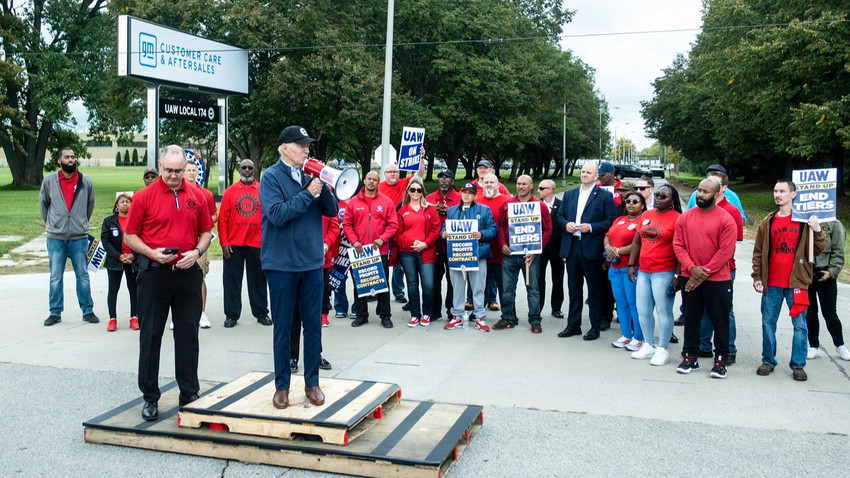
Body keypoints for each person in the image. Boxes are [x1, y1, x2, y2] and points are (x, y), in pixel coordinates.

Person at [123, 145, 214, 421]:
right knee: (150, 335)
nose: (174, 176)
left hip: (187, 273)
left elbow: (207, 232)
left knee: (188, 334)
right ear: (160, 166)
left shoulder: (197, 195)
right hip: (154, 274)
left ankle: (188, 391)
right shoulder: (143, 197)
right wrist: (151, 253)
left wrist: (197, 253)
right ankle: (150, 396)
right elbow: (130, 236)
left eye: (178, 171)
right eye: (169, 171)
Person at [260, 126, 338, 409]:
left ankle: (312, 383)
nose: (307, 149)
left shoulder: (311, 176)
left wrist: (324, 184)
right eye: (301, 145)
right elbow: (278, 215)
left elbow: (331, 211)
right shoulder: (270, 177)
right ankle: (282, 386)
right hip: (281, 264)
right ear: (284, 148)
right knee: (282, 327)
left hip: (311, 262)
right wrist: (308, 193)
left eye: (308, 145)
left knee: (313, 325)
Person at [752, 179, 824, 382]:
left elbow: (817, 250)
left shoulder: (804, 221)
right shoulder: (769, 221)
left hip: (797, 283)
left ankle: (798, 365)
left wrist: (817, 230)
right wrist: (757, 276)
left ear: (793, 194)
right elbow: (758, 252)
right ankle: (768, 360)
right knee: (768, 323)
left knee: (800, 325)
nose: (777, 194)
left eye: (782, 191)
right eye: (775, 190)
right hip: (772, 283)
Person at [673, 179, 737, 378]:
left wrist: (702, 273)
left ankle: (721, 359)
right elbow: (678, 245)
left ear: (717, 195)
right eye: (699, 190)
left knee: (720, 320)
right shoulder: (685, 218)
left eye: (706, 191)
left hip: (718, 279)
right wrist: (692, 268)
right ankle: (690, 356)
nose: (700, 194)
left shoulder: (726, 219)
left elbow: (726, 251)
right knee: (691, 318)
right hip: (689, 276)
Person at [556, 162, 617, 340]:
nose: (584, 174)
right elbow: (559, 216)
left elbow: (611, 220)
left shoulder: (604, 196)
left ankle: (595, 326)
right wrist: (566, 224)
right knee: (574, 288)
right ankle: (573, 324)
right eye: (582, 171)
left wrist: (590, 227)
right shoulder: (570, 194)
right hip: (572, 246)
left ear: (596, 176)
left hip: (591, 247)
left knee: (595, 290)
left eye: (588, 172)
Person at [40, 147, 98, 326]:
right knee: (56, 276)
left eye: (73, 157)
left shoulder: (85, 181)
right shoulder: (49, 181)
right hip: (56, 237)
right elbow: (44, 205)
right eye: (67, 157)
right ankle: (55, 312)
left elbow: (90, 205)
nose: (71, 160)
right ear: (59, 161)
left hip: (79, 237)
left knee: (82, 275)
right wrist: (54, 224)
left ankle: (87, 310)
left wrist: (79, 223)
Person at [627, 184, 682, 365]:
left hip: (664, 272)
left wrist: (677, 275)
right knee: (643, 310)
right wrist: (632, 264)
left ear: (672, 200)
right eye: (657, 194)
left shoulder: (678, 219)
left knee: (663, 311)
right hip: (644, 271)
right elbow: (637, 242)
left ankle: (662, 348)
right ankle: (648, 345)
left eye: (663, 196)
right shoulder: (647, 215)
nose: (658, 198)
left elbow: (682, 248)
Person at [696, 170, 744, 363]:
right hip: (699, 267)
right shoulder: (699, 209)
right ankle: (704, 345)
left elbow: (732, 243)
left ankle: (728, 349)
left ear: (722, 189)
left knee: (724, 310)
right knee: (704, 309)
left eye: (713, 184)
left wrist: (711, 265)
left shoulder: (731, 212)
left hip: (723, 269)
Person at [494, 175, 552, 333]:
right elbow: (499, 226)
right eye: (518, 183)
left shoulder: (539, 206)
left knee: (533, 289)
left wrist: (537, 250)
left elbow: (548, 229)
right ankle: (508, 317)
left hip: (530, 256)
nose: (520, 186)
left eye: (524, 184)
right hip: (510, 254)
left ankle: (535, 319)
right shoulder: (507, 204)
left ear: (531, 185)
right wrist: (502, 244)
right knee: (507, 289)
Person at [343, 171, 399, 328]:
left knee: (382, 284)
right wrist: (354, 241)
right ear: (364, 181)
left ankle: (385, 315)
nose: (372, 182)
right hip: (360, 251)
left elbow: (393, 224)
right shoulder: (353, 202)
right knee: (360, 283)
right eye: (369, 179)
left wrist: (382, 239)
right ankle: (361, 315)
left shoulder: (386, 201)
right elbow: (347, 224)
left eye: (375, 180)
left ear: (378, 182)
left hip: (379, 250)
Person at [218, 159, 271, 328]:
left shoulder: (263, 189)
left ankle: (261, 313)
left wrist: (267, 242)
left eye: (250, 168)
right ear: (239, 170)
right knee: (232, 280)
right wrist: (224, 242)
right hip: (234, 244)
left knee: (258, 280)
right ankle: (231, 315)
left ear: (254, 170)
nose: (247, 170)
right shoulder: (230, 192)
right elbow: (222, 219)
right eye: (244, 168)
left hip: (257, 243)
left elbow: (269, 217)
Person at [442, 182, 498, 331]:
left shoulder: (484, 210)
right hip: (457, 255)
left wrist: (482, 234)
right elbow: (444, 227)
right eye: (464, 192)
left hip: (477, 255)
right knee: (458, 287)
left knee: (478, 287)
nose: (466, 195)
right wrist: (444, 233)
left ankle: (479, 316)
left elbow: (493, 229)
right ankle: (457, 316)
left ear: (474, 195)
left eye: (470, 192)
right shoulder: (453, 210)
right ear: (461, 193)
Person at [396, 176, 441, 327]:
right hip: (406, 252)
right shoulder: (402, 210)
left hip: (426, 251)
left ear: (422, 191)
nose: (415, 192)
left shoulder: (430, 209)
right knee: (412, 284)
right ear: (408, 191)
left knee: (428, 284)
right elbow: (398, 234)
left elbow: (436, 229)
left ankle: (427, 313)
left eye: (418, 190)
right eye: (412, 189)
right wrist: (411, 243)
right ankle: (415, 314)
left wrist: (425, 244)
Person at [379, 158, 425, 304]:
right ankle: (376, 291)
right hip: (383, 230)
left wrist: (421, 158)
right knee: (381, 261)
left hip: (400, 228)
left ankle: (398, 291)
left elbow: (419, 174)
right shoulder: (379, 187)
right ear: (384, 174)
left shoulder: (404, 183)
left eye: (395, 172)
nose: (393, 174)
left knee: (399, 263)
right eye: (390, 172)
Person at [603, 191, 645, 350]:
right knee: (621, 304)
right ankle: (626, 334)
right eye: (628, 201)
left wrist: (618, 251)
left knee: (634, 304)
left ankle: (639, 337)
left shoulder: (643, 221)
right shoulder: (619, 219)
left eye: (635, 201)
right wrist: (608, 248)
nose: (631, 204)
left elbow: (638, 244)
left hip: (632, 268)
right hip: (615, 268)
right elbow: (607, 236)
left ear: (642, 205)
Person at [807, 220, 850, 361]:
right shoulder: (801, 219)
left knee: (830, 313)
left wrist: (831, 272)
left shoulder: (834, 224)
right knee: (810, 311)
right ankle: (813, 346)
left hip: (825, 272)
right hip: (806, 273)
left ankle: (840, 345)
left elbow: (838, 251)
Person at [184, 160, 217, 329]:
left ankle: (201, 313)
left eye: (194, 170)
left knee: (199, 277)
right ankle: (179, 316)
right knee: (179, 278)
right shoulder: (176, 193)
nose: (191, 173)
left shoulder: (205, 194)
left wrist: (201, 225)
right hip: (181, 242)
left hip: (199, 243)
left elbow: (214, 216)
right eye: (188, 170)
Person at [426, 169, 461, 321]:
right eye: (441, 178)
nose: (444, 181)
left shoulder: (460, 198)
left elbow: (466, 219)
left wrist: (450, 211)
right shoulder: (430, 198)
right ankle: (434, 311)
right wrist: (432, 210)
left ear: (453, 181)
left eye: (447, 178)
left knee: (453, 280)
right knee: (434, 280)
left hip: (453, 247)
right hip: (434, 246)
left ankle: (451, 310)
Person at [100, 193, 138, 332]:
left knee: (134, 289)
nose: (125, 204)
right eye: (122, 202)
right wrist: (119, 256)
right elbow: (106, 241)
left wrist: (133, 255)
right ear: (117, 205)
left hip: (132, 261)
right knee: (113, 290)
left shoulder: (136, 220)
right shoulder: (109, 221)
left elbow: (142, 239)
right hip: (115, 260)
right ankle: (112, 319)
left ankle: (134, 317)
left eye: (128, 202)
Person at [476, 173, 511, 311]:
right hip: (482, 251)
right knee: (480, 285)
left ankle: (509, 314)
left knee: (504, 286)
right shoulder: (477, 201)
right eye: (486, 182)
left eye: (492, 182)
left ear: (498, 185)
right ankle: (478, 311)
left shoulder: (508, 201)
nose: (489, 184)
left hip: (502, 251)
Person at [536, 179, 565, 318]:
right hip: (540, 248)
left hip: (557, 247)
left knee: (558, 278)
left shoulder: (562, 205)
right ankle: (538, 308)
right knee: (539, 278)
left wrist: (565, 251)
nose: (538, 191)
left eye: (542, 188)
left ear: (550, 190)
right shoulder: (535, 205)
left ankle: (556, 307)